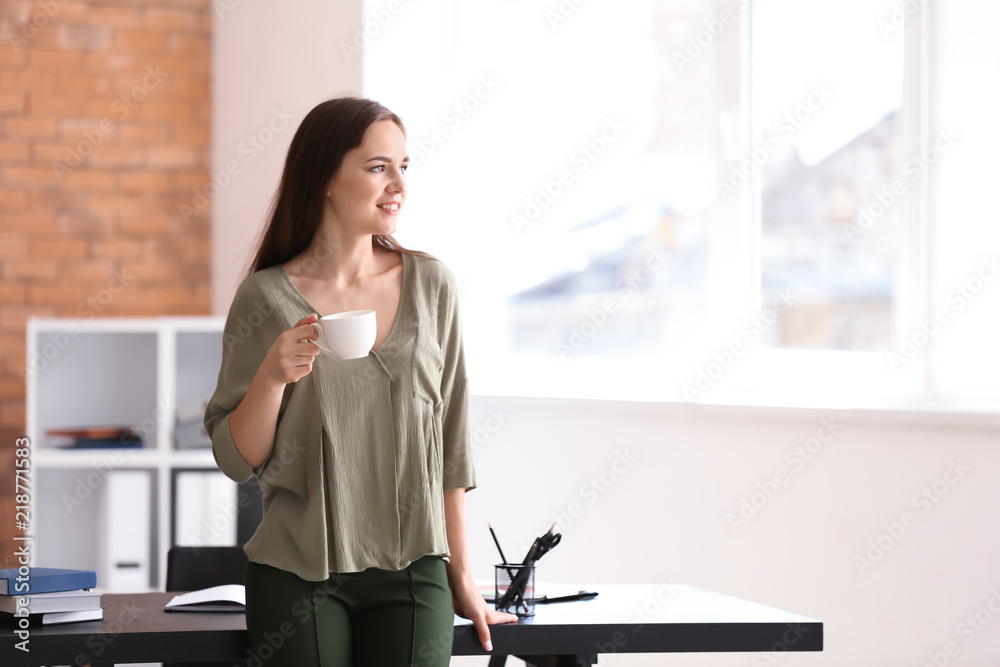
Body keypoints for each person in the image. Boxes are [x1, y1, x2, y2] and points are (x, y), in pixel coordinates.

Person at [204, 95, 517, 666]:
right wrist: (272, 377)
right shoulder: (265, 298)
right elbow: (235, 458)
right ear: (324, 177)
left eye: (403, 165)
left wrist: (462, 575)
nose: (398, 182)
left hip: (414, 570)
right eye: (377, 167)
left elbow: (451, 441)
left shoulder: (432, 285)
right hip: (299, 571)